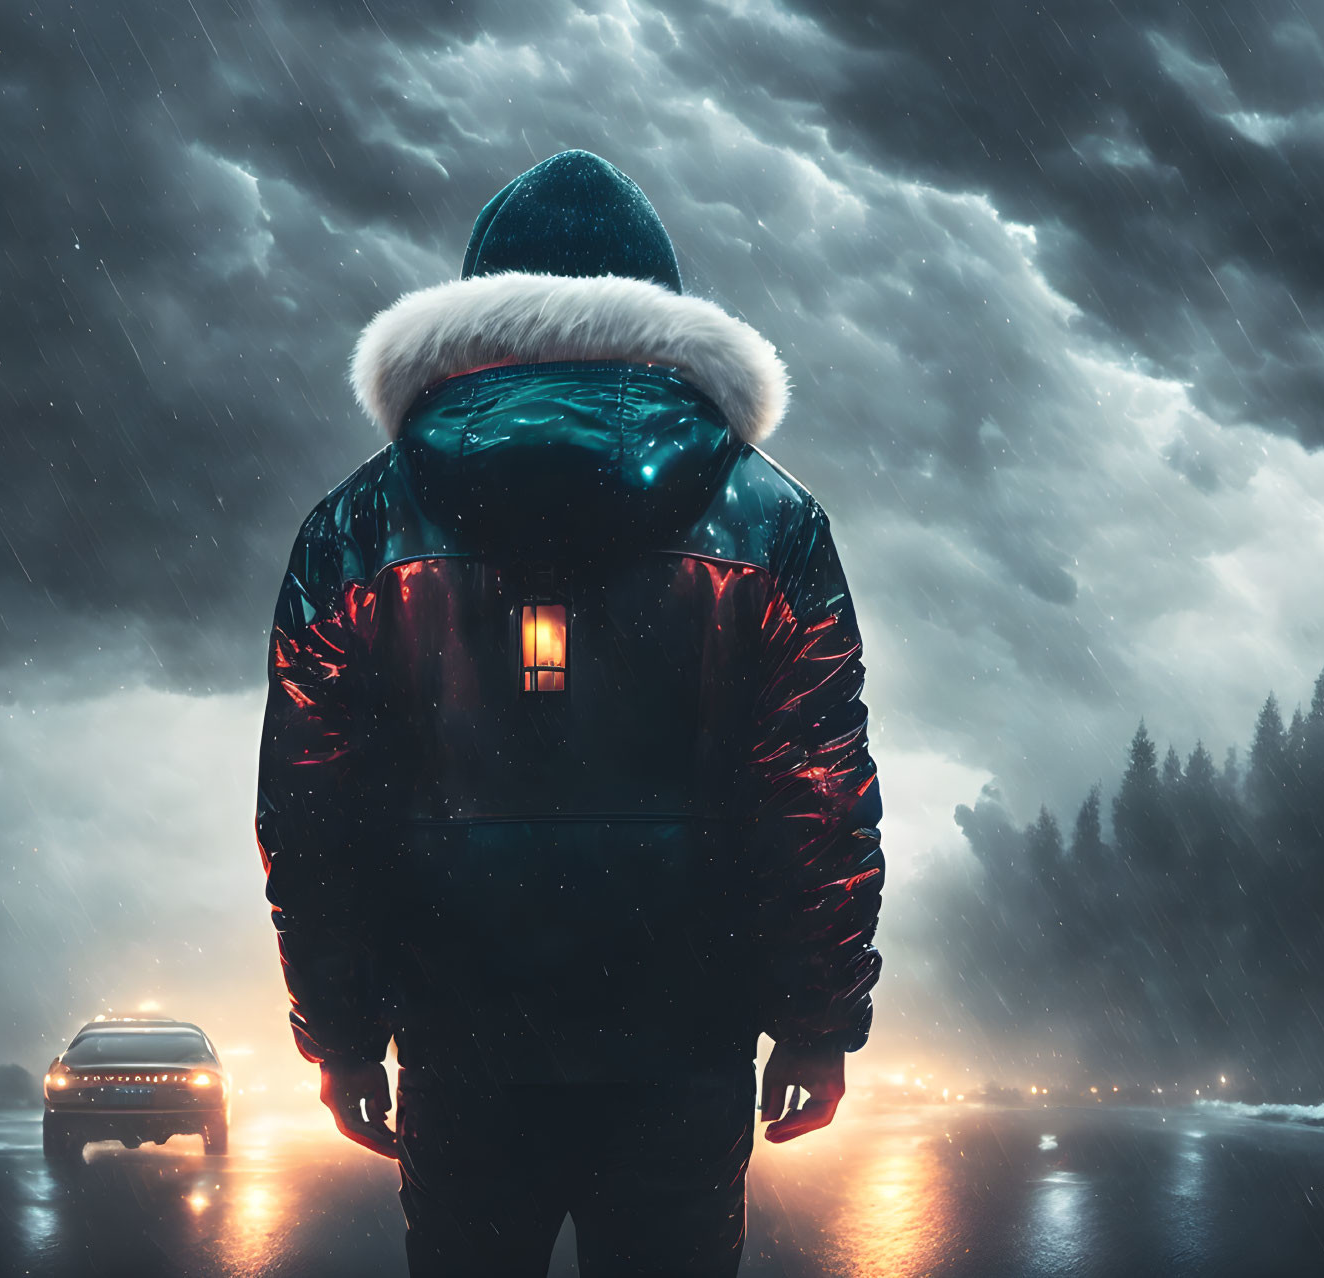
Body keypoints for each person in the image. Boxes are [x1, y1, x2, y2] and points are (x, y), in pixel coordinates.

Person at [255, 149, 885, 1277]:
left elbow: (314, 810)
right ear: (666, 320)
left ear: (465, 319)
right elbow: (817, 791)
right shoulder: (771, 521)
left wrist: (342, 1033)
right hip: (682, 1045)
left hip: (461, 1043)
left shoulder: (354, 529)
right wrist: (814, 1017)